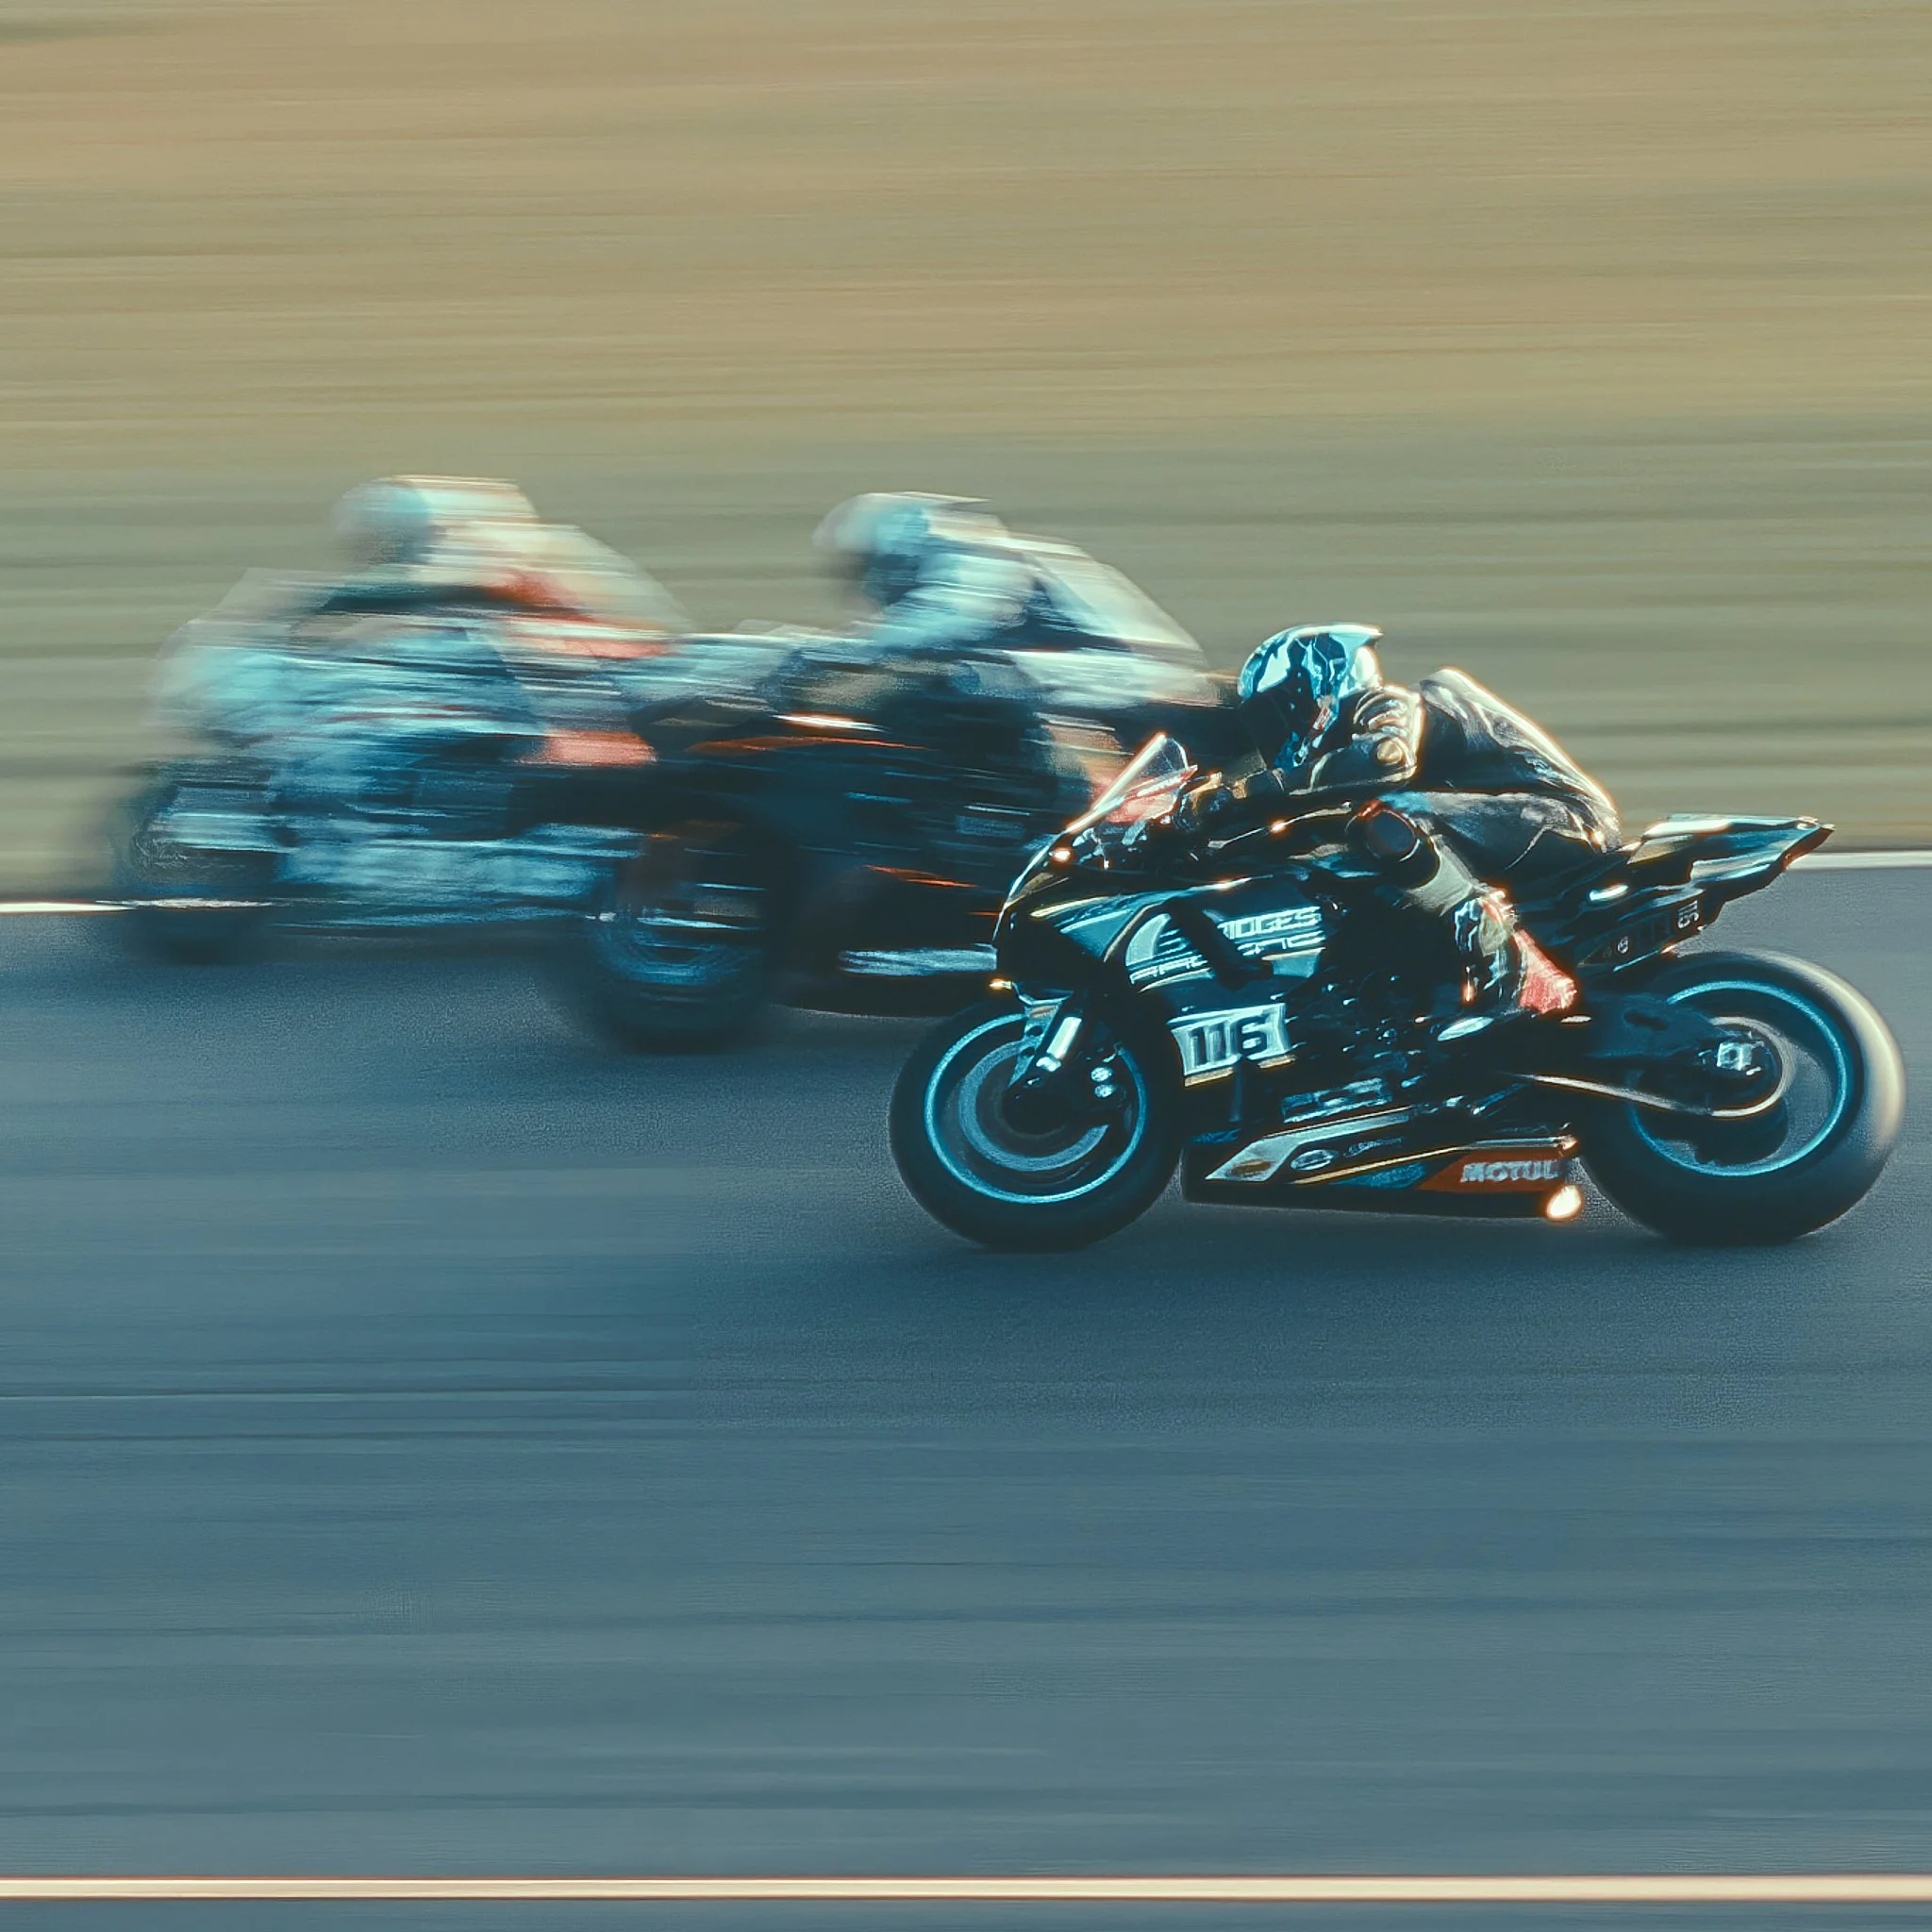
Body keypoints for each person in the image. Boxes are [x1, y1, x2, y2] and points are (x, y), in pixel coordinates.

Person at [1174, 624, 1619, 1024]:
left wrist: (1247, 792)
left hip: (1561, 817)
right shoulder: (1345, 753)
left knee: (1385, 818)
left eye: (1279, 712)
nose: (1273, 734)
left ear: (1317, 687)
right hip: (1510, 831)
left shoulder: (1392, 704)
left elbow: (1388, 759)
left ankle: (1509, 963)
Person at [810, 491, 1219, 723]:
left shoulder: (974, 555)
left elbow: (963, 614)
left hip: (1140, 685)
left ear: (891, 547)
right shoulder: (974, 553)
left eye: (859, 567)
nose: (859, 584)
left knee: (964, 684)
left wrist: (839, 651)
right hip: (1109, 684)